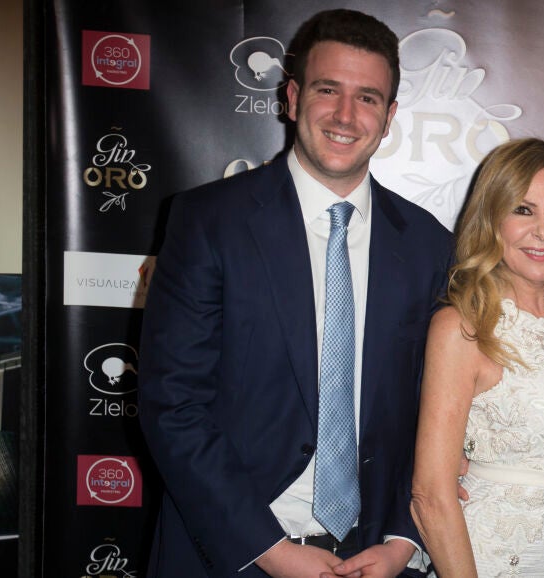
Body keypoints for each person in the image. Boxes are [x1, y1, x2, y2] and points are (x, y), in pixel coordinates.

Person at [138, 9, 452, 578]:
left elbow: (433, 412)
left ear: (389, 117)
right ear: (291, 96)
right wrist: (270, 551)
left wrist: (404, 539)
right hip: (234, 555)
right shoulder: (208, 222)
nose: (345, 115)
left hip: (376, 558)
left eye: (367, 98)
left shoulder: (428, 243)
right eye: (328, 90)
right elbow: (174, 405)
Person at [410, 138, 544, 577]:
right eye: (523, 210)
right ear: (491, 219)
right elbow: (431, 497)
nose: (542, 231)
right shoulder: (462, 327)